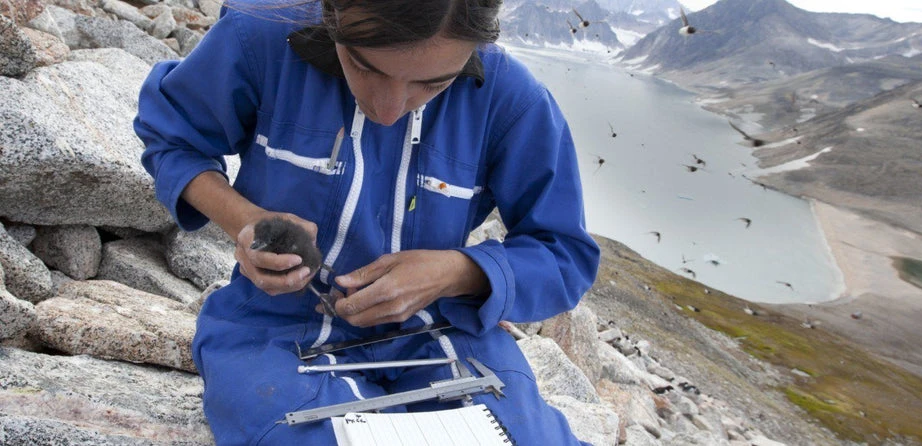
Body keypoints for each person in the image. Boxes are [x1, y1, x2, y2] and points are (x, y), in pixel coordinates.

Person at [133, 0, 600, 444]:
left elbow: (564, 252)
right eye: (365, 66)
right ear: (333, 13)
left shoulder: (512, 100)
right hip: (275, 331)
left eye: (434, 84)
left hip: (442, 331)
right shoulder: (260, 35)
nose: (389, 110)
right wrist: (247, 221)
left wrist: (456, 272)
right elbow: (173, 139)